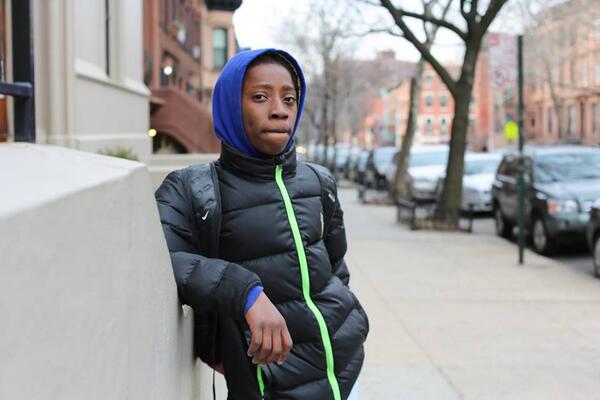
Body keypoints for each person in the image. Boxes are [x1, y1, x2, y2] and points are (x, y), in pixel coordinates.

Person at [155, 48, 368, 400]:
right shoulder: (190, 188)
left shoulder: (320, 181)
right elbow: (161, 259)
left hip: (344, 371)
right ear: (230, 106)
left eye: (289, 98)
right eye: (260, 97)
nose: (280, 110)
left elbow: (334, 266)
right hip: (267, 385)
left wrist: (349, 316)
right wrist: (245, 293)